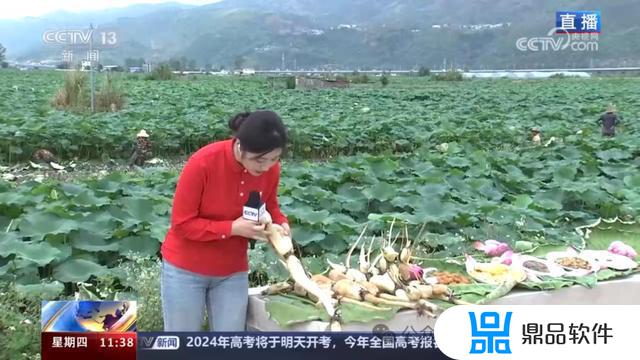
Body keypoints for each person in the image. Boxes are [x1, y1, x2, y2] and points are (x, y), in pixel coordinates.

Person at [160, 110, 290, 331]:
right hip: (185, 270)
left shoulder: (270, 169)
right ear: (240, 145)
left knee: (229, 346)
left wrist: (281, 223)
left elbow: (269, 204)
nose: (267, 167)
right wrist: (232, 228)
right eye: (260, 160)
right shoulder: (203, 163)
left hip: (232, 271)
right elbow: (182, 224)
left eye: (274, 159)